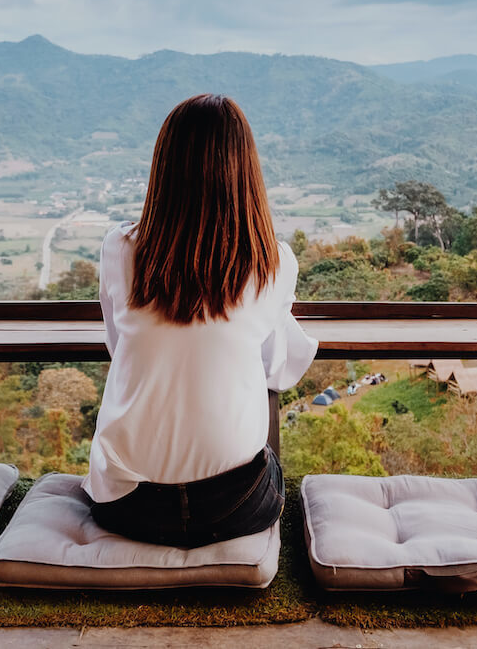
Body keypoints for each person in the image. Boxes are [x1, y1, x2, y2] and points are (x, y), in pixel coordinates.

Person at [82, 93, 318, 548]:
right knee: (266, 461)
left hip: (127, 505)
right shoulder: (274, 263)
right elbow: (276, 370)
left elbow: (119, 348)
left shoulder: (119, 250)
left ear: (165, 167)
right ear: (245, 171)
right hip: (235, 505)